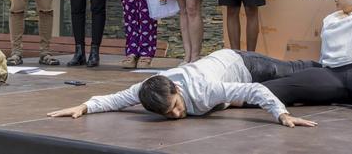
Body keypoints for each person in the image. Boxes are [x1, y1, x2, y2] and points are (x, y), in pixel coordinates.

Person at [47, 49, 319, 128]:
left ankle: (328, 64)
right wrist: (83, 106)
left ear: (177, 89)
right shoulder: (147, 89)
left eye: (175, 107)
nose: (176, 115)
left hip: (245, 64)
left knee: (294, 69)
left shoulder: (203, 90)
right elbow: (115, 99)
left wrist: (282, 115)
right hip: (227, 82)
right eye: (168, 114)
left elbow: (255, 91)